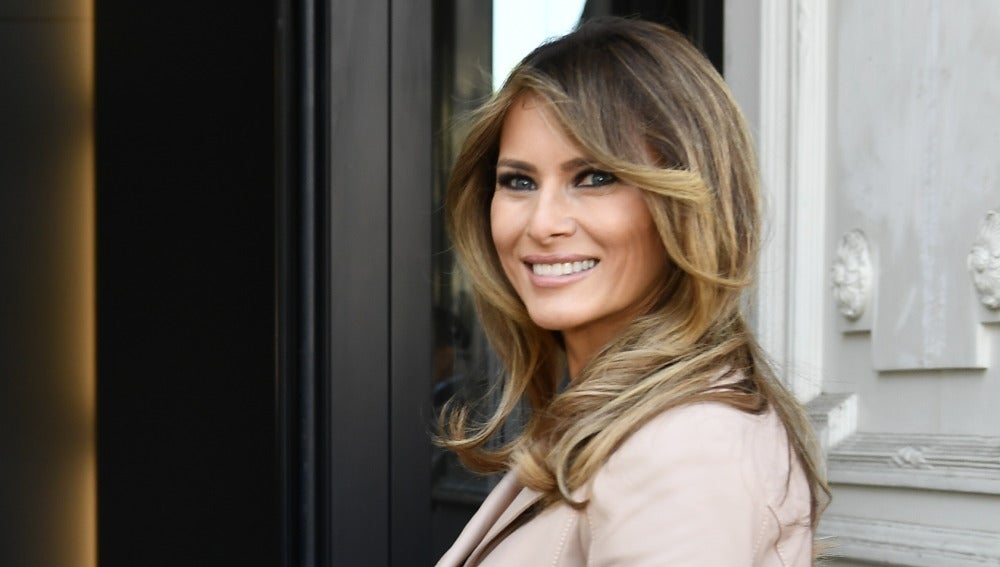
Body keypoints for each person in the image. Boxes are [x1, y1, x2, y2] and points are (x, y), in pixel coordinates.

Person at [436, 17, 829, 566]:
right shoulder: (616, 421)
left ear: (690, 202)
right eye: (519, 181)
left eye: (595, 177)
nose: (542, 223)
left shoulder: (685, 448)